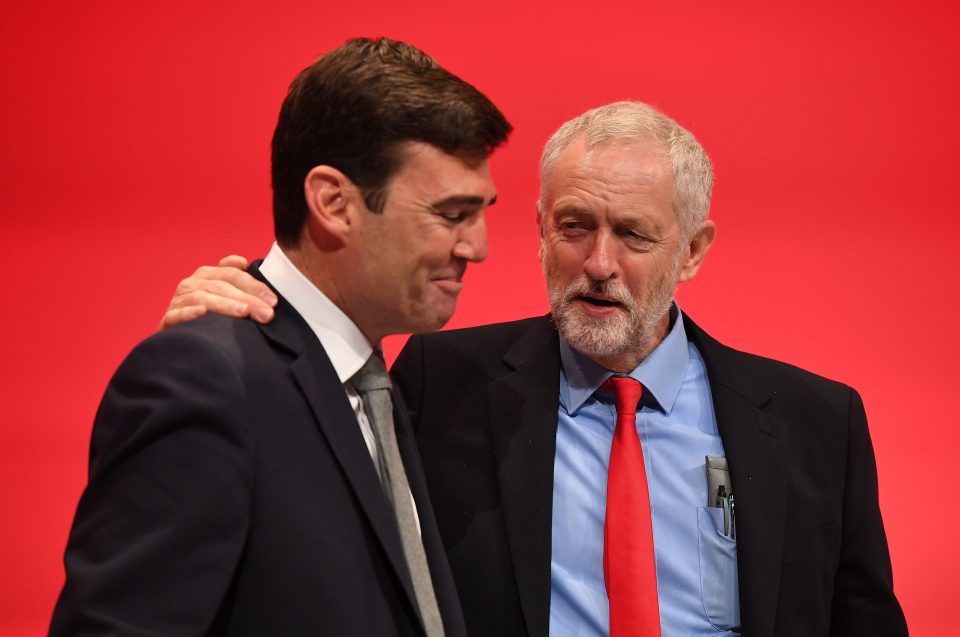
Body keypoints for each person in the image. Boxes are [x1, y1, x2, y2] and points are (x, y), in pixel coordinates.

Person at [160, 102, 908, 636]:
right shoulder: (439, 381)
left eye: (636, 235)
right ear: (541, 231)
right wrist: (241, 328)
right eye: (575, 227)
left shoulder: (816, 423)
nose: (599, 263)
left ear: (694, 249)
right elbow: (303, 500)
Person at [51, 37, 511, 636]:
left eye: (481, 213)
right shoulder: (203, 381)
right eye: (451, 215)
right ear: (333, 202)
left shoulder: (377, 386)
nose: (477, 247)